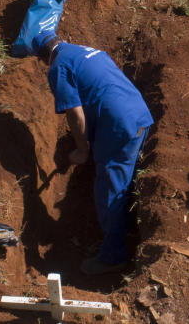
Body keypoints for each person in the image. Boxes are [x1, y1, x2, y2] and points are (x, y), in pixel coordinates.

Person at [32, 32, 154, 275]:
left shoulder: (58, 66)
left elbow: (75, 115)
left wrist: (82, 150)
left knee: (108, 191)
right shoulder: (87, 49)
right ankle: (127, 226)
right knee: (125, 179)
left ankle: (113, 257)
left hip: (119, 127)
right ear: (60, 40)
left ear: (43, 58)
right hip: (139, 114)